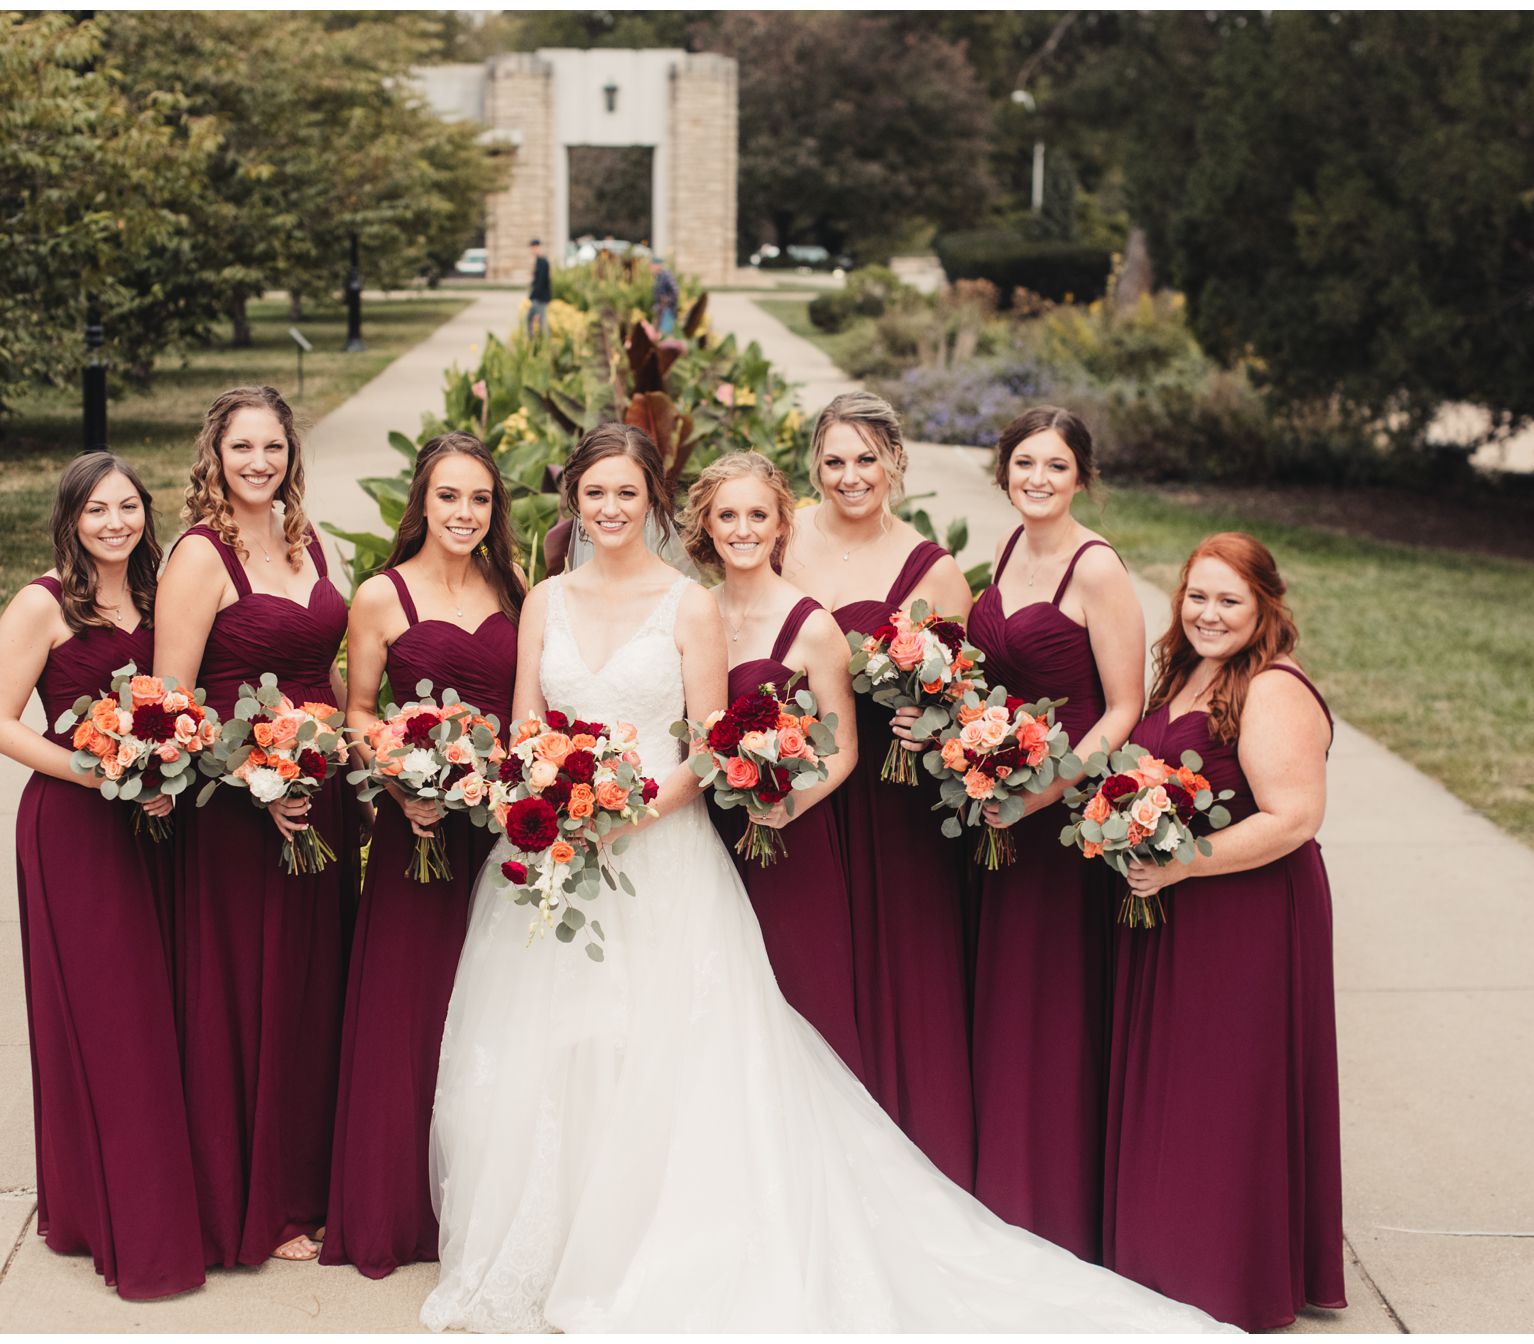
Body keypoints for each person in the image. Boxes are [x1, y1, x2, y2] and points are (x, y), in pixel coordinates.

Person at [420, 423, 1230, 1333]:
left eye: (628, 494)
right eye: (595, 494)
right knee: (553, 1040)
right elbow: (530, 720)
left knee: (666, 1044)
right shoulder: (544, 602)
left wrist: (623, 812)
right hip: (554, 854)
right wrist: (554, 795)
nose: (610, 509)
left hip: (653, 842)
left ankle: (646, 1242)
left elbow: (703, 740)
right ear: (572, 501)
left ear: (652, 505)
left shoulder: (686, 606)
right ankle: (553, 1234)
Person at [0, 452, 205, 1300]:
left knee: (158, 1008)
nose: (115, 523)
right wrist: (98, 773)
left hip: (157, 823)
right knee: (110, 1018)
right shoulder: (43, 603)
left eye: (128, 507)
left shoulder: (157, 597)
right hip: (74, 826)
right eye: (96, 510)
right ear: (70, 520)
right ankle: (130, 1227)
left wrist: (160, 774)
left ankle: (84, 1205)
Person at [1104, 532, 1345, 1329]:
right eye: (1196, 596)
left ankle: (1225, 1273)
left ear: (1265, 606)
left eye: (1229, 601)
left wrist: (1182, 864)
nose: (1208, 614)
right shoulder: (1187, 668)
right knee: (1182, 1083)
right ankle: (1167, 1251)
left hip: (1246, 912)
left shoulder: (1273, 688)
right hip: (1179, 904)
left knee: (1226, 1092)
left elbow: (1294, 818)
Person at [153, 386, 356, 1268]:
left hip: (325, 795)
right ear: (215, 455)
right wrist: (257, 780)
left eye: (272, 447)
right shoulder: (201, 555)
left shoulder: (311, 540)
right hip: (241, 810)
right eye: (242, 448)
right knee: (253, 992)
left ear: (290, 454)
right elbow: (172, 703)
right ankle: (256, 1201)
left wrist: (364, 748)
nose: (259, 463)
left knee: (314, 991)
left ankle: (308, 1185)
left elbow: (329, 666)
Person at [321, 433, 524, 1279]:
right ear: (423, 502)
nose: (465, 514)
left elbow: (533, 706)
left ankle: (481, 1203)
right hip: (422, 828)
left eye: (480, 499)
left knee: (495, 1013)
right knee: (410, 1009)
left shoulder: (517, 592)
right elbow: (359, 711)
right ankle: (393, 1208)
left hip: (503, 829)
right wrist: (402, 776)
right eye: (449, 497)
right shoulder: (382, 595)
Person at [959, 406, 1144, 1260]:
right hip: (1000, 798)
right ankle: (1007, 1187)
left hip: (1063, 816)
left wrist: (1045, 792)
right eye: (1024, 463)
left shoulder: (1095, 567)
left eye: (1055, 467)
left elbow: (1124, 709)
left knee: (1054, 998)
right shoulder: (1006, 550)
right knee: (1008, 993)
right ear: (1004, 472)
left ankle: (1061, 1204)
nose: (1037, 479)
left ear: (1081, 478)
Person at [780, 391, 976, 1186]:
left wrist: (931, 723)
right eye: (834, 460)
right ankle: (805, 1156)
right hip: (796, 790)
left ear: (896, 462)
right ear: (814, 466)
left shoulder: (935, 569)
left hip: (894, 799)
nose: (850, 476)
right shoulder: (782, 537)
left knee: (901, 966)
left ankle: (907, 1161)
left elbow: (957, 696)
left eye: (866, 458)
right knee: (805, 965)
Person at [681, 452, 865, 1078]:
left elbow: (843, 749)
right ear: (706, 524)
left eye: (758, 514)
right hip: (703, 836)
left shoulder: (812, 626)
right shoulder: (690, 610)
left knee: (798, 997)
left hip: (790, 837)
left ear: (782, 523)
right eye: (727, 514)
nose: (743, 529)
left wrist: (788, 804)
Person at [527, 238, 551, 341]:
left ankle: (544, 342)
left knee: (541, 321)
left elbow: (541, 282)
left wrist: (533, 295)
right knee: (530, 318)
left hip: (540, 297)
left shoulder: (543, 262)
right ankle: (533, 340)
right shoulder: (539, 261)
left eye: (533, 248)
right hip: (537, 296)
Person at [650, 256, 678, 335]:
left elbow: (675, 292)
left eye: (652, 265)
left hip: (667, 311)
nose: (650, 268)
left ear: (658, 265)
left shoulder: (666, 276)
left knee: (665, 336)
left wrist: (666, 300)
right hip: (660, 311)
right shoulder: (658, 277)